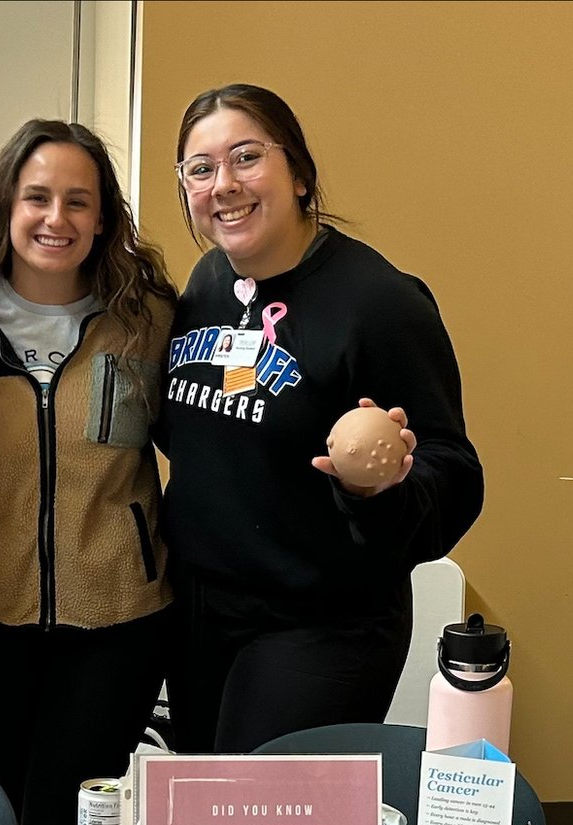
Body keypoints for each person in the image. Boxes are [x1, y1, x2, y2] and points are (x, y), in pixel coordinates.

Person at [159, 84, 484, 753]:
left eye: (246, 158)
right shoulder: (208, 283)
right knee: (200, 823)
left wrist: (379, 488)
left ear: (300, 175)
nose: (223, 184)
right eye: (200, 168)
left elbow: (455, 474)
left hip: (322, 622)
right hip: (202, 611)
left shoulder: (379, 303)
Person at [0, 119, 178, 825]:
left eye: (78, 199)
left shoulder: (146, 318)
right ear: (6, 206)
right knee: (8, 796)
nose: (56, 218)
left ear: (103, 218)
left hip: (120, 615)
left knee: (67, 806)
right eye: (37, 196)